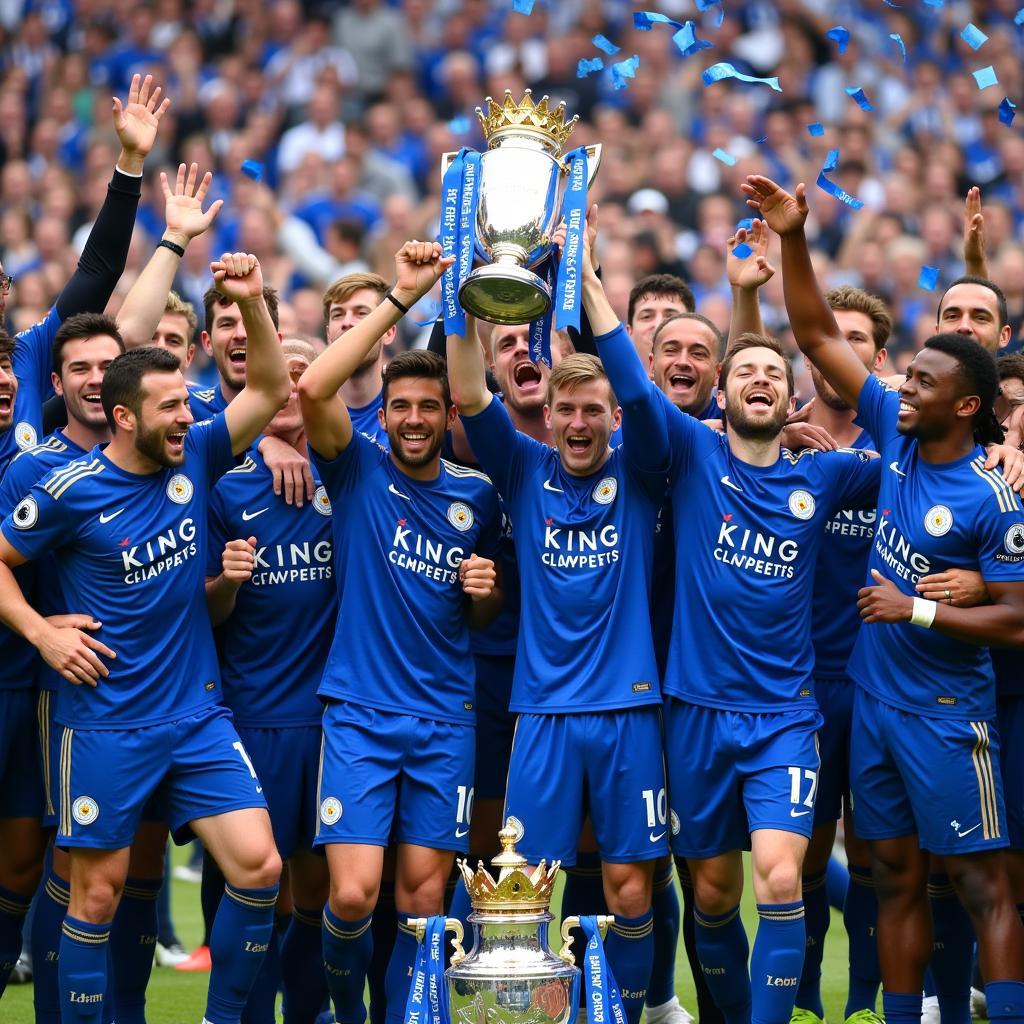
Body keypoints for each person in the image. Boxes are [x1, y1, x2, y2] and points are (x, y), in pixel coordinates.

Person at [587, 217, 884, 1024]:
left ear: (791, 398)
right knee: (712, 900)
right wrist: (586, 283)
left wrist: (1004, 449)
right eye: (744, 369)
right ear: (722, 395)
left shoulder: (822, 477)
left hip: (786, 717)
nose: (759, 378)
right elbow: (634, 382)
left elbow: (912, 452)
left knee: (782, 881)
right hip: (693, 715)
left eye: (771, 372)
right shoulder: (692, 454)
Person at [743, 172, 1024, 1024]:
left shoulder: (991, 496)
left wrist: (923, 610)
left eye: (924, 383)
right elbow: (816, 332)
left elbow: (1016, 618)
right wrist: (793, 238)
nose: (904, 389)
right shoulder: (896, 441)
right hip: (873, 705)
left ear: (965, 405)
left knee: (982, 882)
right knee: (895, 876)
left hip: (948, 710)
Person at [0, 250, 290, 1024]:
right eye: (170, 407)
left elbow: (267, 388)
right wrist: (39, 631)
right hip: (102, 724)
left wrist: (253, 302)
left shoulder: (193, 452)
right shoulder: (68, 491)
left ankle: (221, 1018)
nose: (187, 417)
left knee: (260, 867)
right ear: (125, 416)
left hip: (197, 716)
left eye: (187, 406)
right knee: (95, 895)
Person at [449, 289, 669, 1024]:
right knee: (525, 894)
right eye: (567, 410)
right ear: (549, 417)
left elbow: (639, 386)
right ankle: (528, 1016)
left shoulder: (641, 471)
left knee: (632, 891)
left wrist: (594, 286)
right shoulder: (522, 470)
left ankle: (625, 1013)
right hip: (540, 714)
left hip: (628, 711)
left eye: (594, 410)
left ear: (614, 418)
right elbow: (467, 390)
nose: (579, 422)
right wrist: (460, 299)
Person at [297, 240, 502, 1024]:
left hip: (446, 718)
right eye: (400, 407)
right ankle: (347, 1013)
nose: (414, 420)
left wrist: (482, 594)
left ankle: (409, 1018)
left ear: (449, 415)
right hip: (358, 713)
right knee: (351, 895)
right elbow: (314, 384)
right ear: (382, 415)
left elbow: (474, 610)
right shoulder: (355, 469)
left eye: (428, 408)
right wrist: (403, 297)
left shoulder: (476, 496)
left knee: (423, 897)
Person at [206, 338, 335, 1024]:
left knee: (320, 887)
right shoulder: (224, 486)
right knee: (260, 884)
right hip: (254, 711)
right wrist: (226, 582)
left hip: (339, 717)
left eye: (304, 374)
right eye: (276, 375)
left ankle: (309, 1013)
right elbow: (202, 607)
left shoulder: (351, 472)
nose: (290, 387)